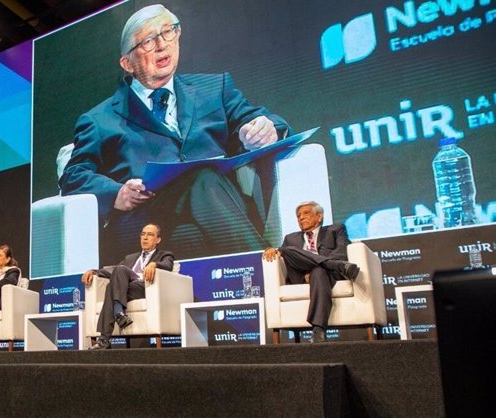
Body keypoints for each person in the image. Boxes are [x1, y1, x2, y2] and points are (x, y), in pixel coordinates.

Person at [59, 3, 291, 265]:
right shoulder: (99, 119)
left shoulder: (215, 87)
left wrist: (266, 129)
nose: (161, 45)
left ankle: (252, 275)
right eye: (147, 41)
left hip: (215, 213)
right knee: (201, 178)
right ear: (127, 63)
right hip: (144, 221)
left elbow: (255, 119)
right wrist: (117, 194)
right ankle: (269, 269)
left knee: (190, 234)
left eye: (167, 32)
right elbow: (73, 177)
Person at [262, 201, 360, 343]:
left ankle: (318, 331)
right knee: (286, 250)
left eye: (306, 213)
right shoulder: (291, 238)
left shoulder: (335, 230)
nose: (301, 218)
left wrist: (317, 267)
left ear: (319, 216)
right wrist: (270, 250)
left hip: (326, 275)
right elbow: (283, 254)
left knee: (318, 271)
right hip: (301, 275)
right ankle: (333, 265)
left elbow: (341, 252)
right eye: (298, 216)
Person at [82, 223, 174, 350]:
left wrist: (154, 264)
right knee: (114, 282)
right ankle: (117, 317)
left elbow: (168, 265)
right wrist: (94, 272)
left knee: (113, 284)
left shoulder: (164, 255)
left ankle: (106, 335)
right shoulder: (130, 258)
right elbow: (113, 271)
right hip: (126, 288)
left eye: (150, 235)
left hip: (145, 287)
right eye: (143, 234)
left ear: (158, 239)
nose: (145, 238)